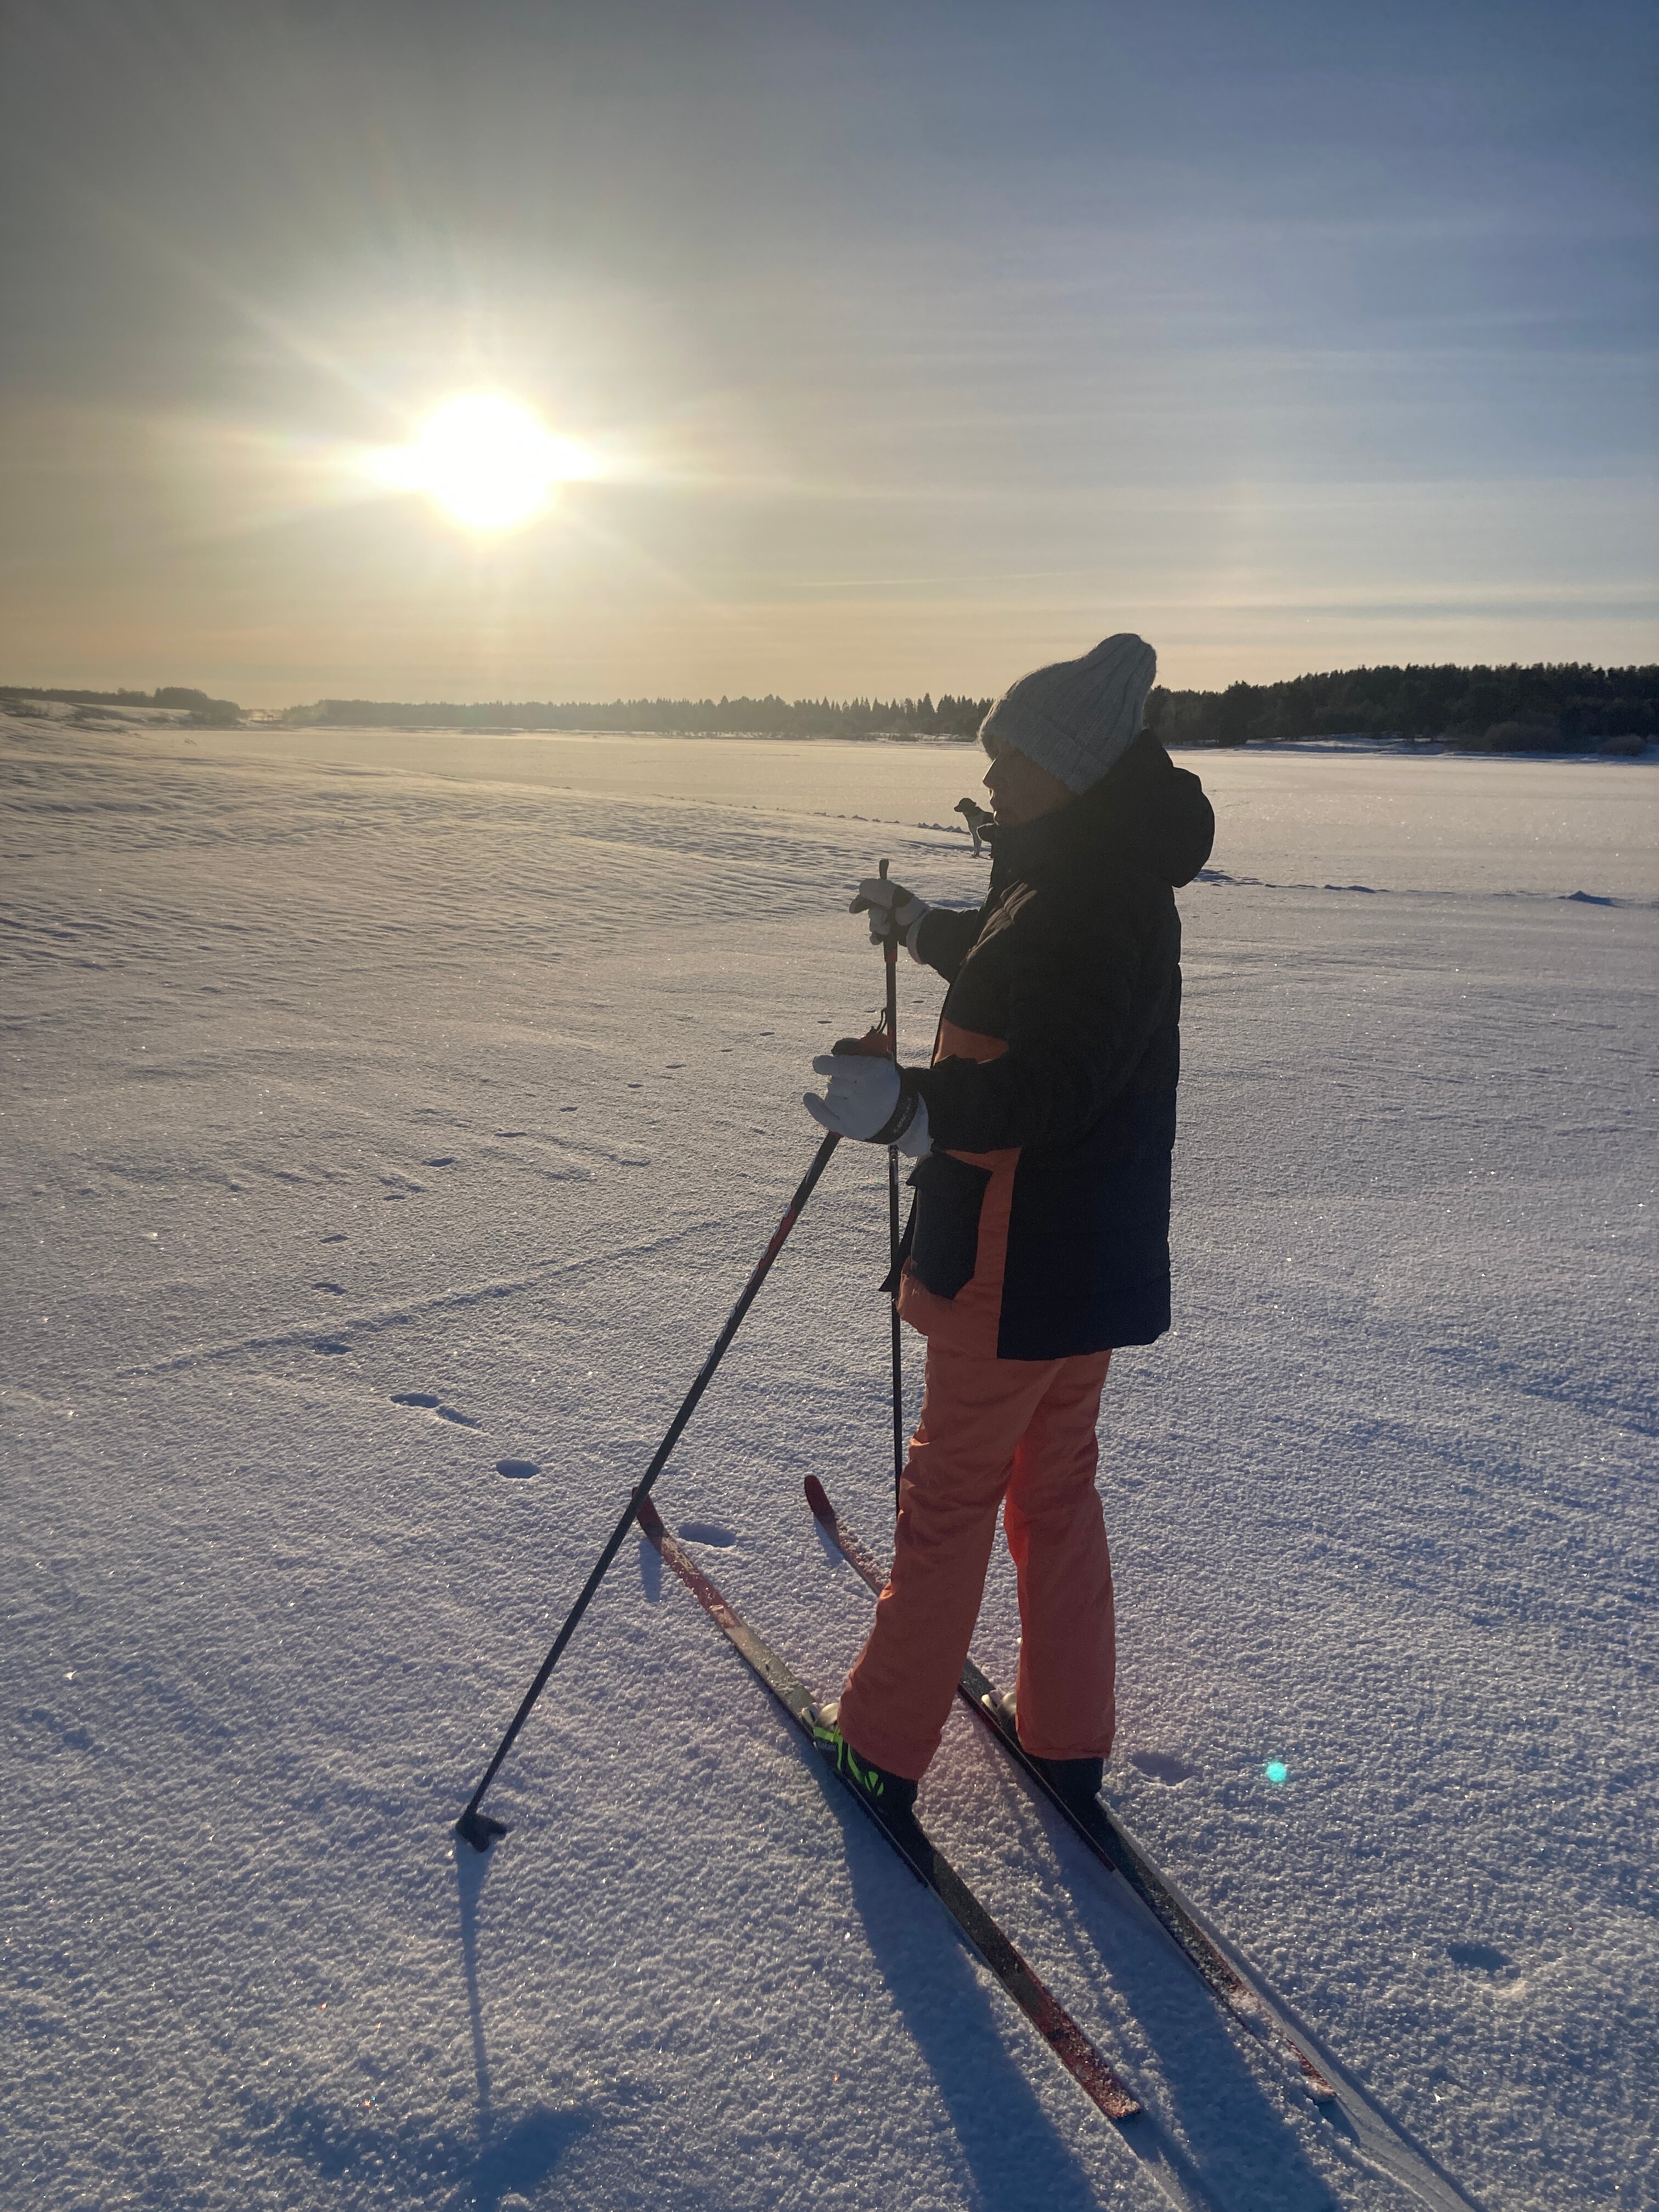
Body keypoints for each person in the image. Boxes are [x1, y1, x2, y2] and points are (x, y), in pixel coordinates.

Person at [802, 633, 1214, 1827]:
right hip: (1076, 1260)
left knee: (952, 1497)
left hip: (1018, 1258)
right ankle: (1066, 1735)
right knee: (1053, 1487)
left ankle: (881, 1746)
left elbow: (1055, 1082)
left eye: (1009, 762)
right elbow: (1013, 960)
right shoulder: (1089, 865)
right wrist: (923, 925)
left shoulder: (1098, 894)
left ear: (1070, 768)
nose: (989, 786)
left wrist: (914, 1109)